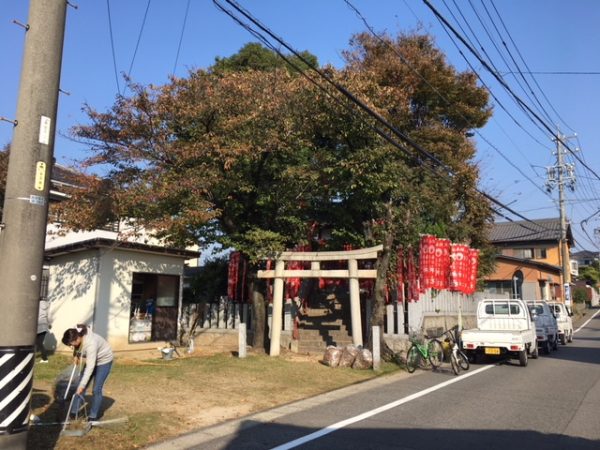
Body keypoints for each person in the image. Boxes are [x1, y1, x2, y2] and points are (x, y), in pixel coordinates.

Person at [62, 325, 114, 421]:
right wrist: (75, 355)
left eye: (72, 344)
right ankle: (74, 411)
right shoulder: (76, 332)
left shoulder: (91, 344)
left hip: (104, 361)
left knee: (96, 389)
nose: (71, 346)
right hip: (92, 359)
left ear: (77, 338)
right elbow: (76, 345)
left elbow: (90, 368)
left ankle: (93, 415)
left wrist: (82, 385)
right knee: (80, 385)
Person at [36, 298, 51, 363]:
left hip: (39, 325)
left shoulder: (37, 305)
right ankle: (44, 358)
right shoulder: (47, 305)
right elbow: (49, 316)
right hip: (44, 326)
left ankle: (45, 359)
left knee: (39, 343)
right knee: (39, 343)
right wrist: (49, 324)